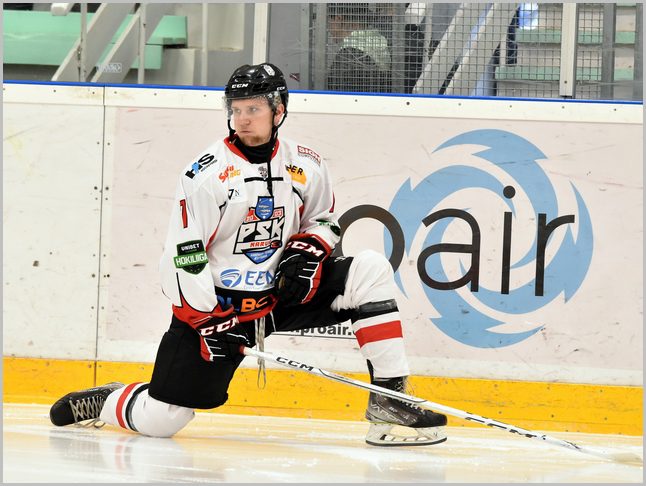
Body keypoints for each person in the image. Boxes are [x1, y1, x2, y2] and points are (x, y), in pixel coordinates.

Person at [49, 63, 447, 446]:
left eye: (253, 109)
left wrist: (310, 247)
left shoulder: (305, 163)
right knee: (162, 420)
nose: (242, 119)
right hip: (223, 308)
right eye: (236, 110)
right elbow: (185, 254)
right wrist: (207, 319)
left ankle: (391, 401)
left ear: (279, 111)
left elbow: (324, 220)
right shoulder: (206, 175)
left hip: (281, 295)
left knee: (370, 270)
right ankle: (110, 399)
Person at [327, 3, 392, 93]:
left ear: (338, 19)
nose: (329, 29)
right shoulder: (380, 41)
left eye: (329, 21)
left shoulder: (347, 55)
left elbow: (336, 95)